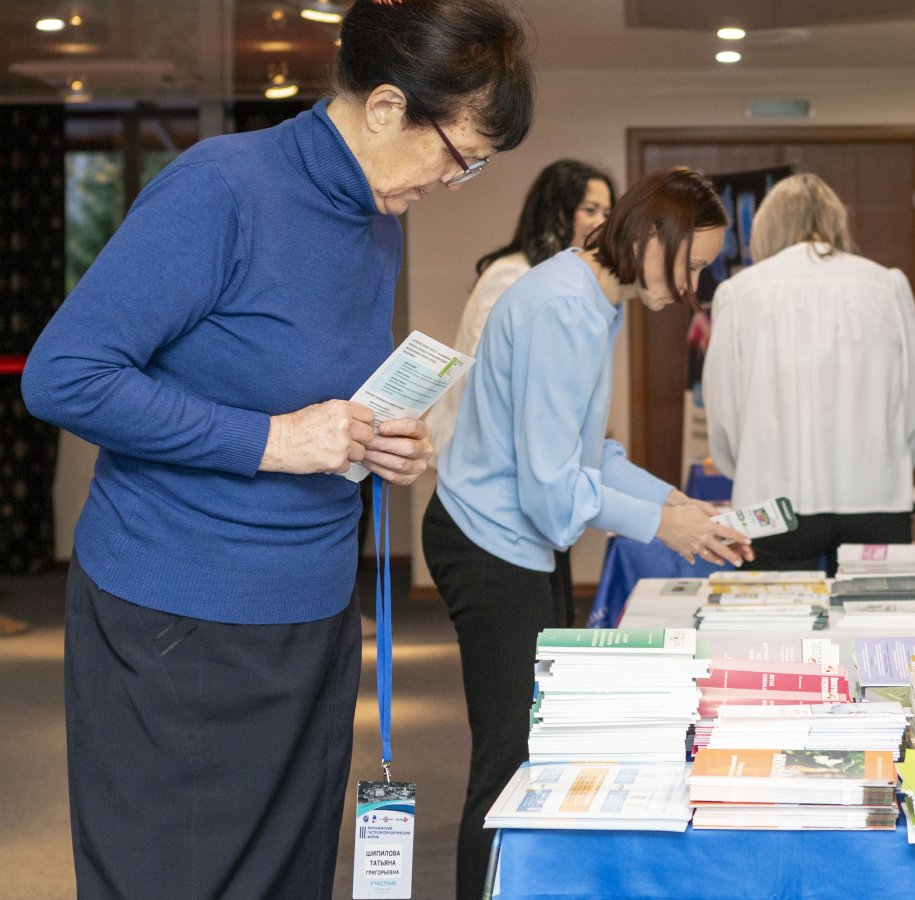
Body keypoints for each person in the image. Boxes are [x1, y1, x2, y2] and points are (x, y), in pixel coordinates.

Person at [20, 1, 533, 896]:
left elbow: (309, 389)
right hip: (178, 613)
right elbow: (64, 376)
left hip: (314, 611)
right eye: (460, 156)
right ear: (386, 107)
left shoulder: (376, 219)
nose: (458, 183)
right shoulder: (220, 189)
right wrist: (273, 440)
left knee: (288, 875)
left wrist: (375, 437)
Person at [424, 166, 753, 900]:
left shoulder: (594, 299)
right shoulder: (566, 307)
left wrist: (680, 504)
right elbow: (552, 493)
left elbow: (587, 456)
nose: (694, 286)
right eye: (693, 264)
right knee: (508, 764)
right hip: (489, 541)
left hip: (518, 540)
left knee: (533, 748)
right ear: (651, 237)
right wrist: (662, 526)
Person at [702, 172, 915, 573]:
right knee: (874, 612)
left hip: (769, 498)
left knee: (772, 614)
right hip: (876, 495)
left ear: (766, 227)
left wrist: (749, 467)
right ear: (837, 221)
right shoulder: (887, 287)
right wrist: (893, 462)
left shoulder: (740, 293)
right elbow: (912, 404)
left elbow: (723, 412)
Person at [425, 158, 615, 625]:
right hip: (495, 486)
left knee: (553, 626)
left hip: (542, 480)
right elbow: (497, 382)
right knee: (525, 639)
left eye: (608, 212)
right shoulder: (513, 276)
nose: (602, 223)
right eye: (590, 209)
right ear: (556, 211)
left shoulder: (577, 284)